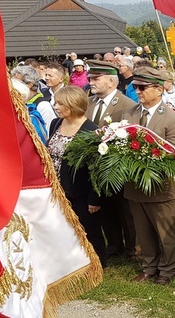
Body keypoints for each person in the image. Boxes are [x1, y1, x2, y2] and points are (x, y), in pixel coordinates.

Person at [124, 67, 175, 285]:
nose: (138, 91)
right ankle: (149, 266)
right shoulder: (131, 113)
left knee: (165, 233)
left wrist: (151, 165)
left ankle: (167, 270)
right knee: (143, 232)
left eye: (142, 87)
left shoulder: (172, 118)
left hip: (161, 186)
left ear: (159, 89)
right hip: (135, 186)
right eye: (135, 87)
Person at [84, 60, 137, 261]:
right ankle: (114, 245)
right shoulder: (88, 102)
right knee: (105, 209)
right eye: (90, 78)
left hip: (119, 167)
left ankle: (134, 248)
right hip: (96, 167)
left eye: (96, 78)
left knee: (126, 209)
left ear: (111, 82)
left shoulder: (127, 106)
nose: (91, 82)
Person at [47, 86, 106, 266]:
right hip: (58, 188)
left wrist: (94, 199)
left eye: (60, 103)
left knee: (88, 229)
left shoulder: (91, 131)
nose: (56, 106)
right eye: (56, 102)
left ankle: (97, 263)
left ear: (73, 105)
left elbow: (97, 169)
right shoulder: (56, 124)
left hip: (80, 191)